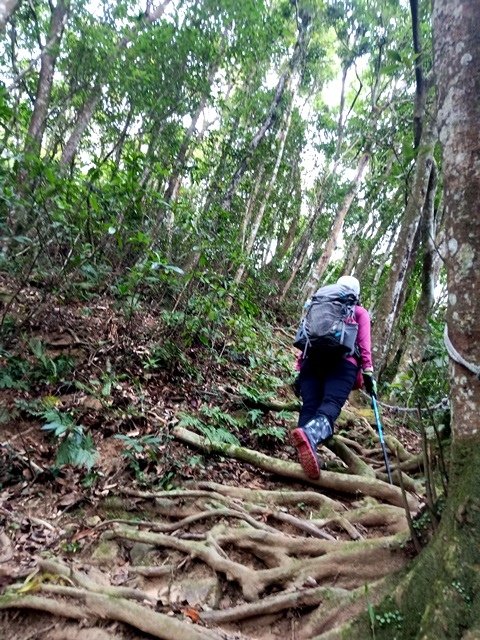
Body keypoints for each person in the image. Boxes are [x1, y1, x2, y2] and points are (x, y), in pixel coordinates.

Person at [291, 275, 376, 479]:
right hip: (343, 364)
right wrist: (369, 373)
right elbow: (364, 346)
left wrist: (299, 368)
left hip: (311, 362)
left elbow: (306, 338)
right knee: (330, 405)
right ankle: (310, 436)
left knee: (309, 405)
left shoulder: (319, 307)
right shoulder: (358, 311)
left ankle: (301, 455)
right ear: (356, 293)